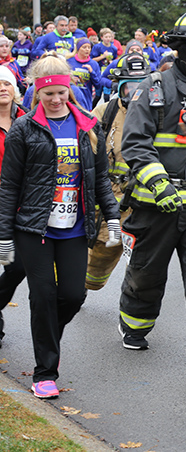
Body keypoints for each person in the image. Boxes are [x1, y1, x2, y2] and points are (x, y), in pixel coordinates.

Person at [0, 53, 120, 399]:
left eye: (61, 94)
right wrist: (4, 234)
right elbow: (9, 185)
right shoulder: (24, 129)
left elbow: (100, 182)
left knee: (73, 294)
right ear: (37, 93)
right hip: (33, 227)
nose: (55, 100)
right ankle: (44, 372)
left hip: (74, 227)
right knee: (43, 294)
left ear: (69, 92)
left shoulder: (87, 127)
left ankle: (46, 333)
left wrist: (111, 216)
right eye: (48, 94)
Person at [118, 8, 186, 368]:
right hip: (157, 206)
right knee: (147, 273)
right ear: (181, 50)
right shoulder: (155, 88)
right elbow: (135, 143)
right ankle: (134, 326)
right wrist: (160, 184)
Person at [85, 52, 150, 291]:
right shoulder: (104, 113)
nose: (134, 94)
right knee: (97, 269)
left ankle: (134, 302)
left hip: (144, 197)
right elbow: (85, 151)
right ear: (118, 86)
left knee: (142, 258)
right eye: (128, 88)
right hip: (111, 197)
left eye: (140, 87)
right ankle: (77, 286)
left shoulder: (157, 113)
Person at [0, 65, 28, 345]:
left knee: (18, 267)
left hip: (21, 204)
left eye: (6, 84)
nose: (2, 88)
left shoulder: (28, 121)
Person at [67, 37, 107, 110]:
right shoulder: (69, 61)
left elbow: (98, 85)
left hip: (86, 100)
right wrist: (70, 79)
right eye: (84, 47)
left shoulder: (93, 64)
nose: (87, 49)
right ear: (78, 48)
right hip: (70, 99)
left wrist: (92, 72)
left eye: (89, 47)